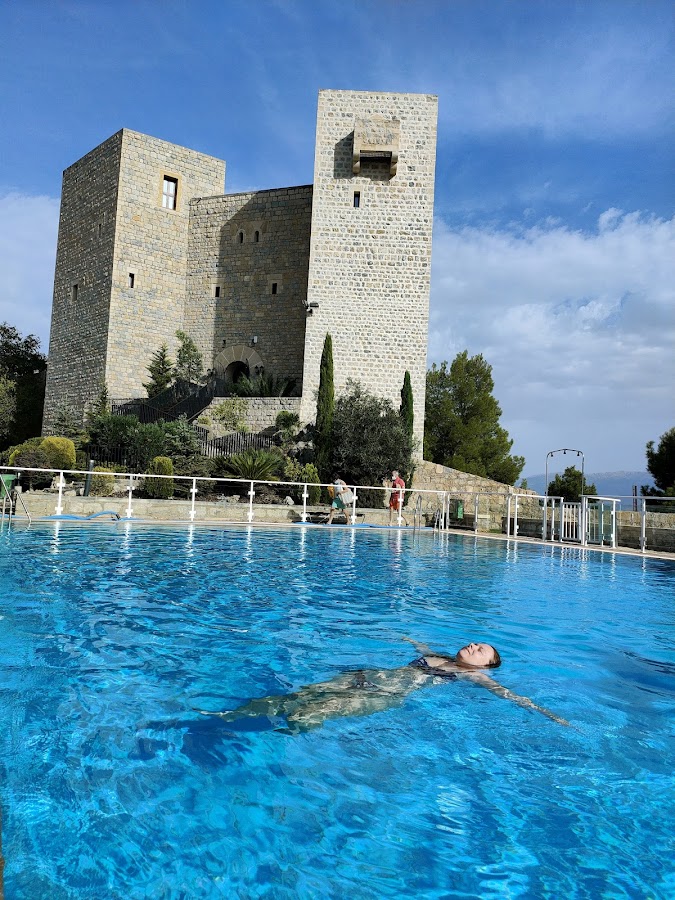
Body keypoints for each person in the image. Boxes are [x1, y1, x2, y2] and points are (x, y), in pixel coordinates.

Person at [198, 636, 570, 732]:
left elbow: (509, 695)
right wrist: (409, 640)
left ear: (486, 665)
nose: (473, 646)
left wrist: (545, 713)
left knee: (308, 714)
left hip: (386, 693)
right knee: (293, 697)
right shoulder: (441, 655)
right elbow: (422, 648)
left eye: (481, 650)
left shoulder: (471, 674)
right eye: (475, 642)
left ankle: (267, 744)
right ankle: (229, 716)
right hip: (365, 677)